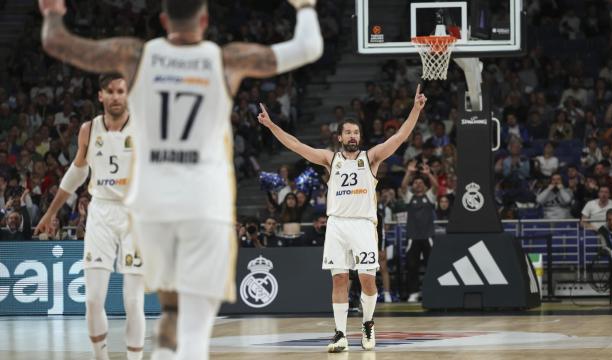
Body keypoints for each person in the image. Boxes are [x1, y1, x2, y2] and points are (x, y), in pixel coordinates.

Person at [39, 0, 323, 359]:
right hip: (204, 203)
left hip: (151, 206)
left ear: (162, 20)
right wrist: (306, 6)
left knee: (171, 311)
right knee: (194, 326)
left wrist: (51, 12)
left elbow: (56, 43)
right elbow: (309, 47)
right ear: (204, 20)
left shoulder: (135, 56)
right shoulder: (226, 60)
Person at [258, 85, 427, 352]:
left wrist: (415, 110)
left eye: (356, 132)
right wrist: (270, 126)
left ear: (360, 136)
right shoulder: (330, 159)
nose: (352, 136)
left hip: (363, 224)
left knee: (367, 280)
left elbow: (400, 137)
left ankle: (368, 323)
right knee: (339, 280)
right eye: (348, 132)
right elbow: (297, 145)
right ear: (340, 137)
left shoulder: (371, 158)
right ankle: (339, 333)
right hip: (336, 224)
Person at [34, 74, 145, 360]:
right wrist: (50, 211)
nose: (116, 96)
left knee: (133, 301)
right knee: (94, 300)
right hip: (101, 211)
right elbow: (78, 172)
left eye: (121, 91)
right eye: (111, 91)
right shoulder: (88, 129)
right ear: (101, 96)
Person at [398, 161, 439, 303]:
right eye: (415, 183)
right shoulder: (410, 197)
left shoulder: (429, 197)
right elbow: (403, 187)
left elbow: (436, 187)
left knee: (432, 265)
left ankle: (432, 290)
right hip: (413, 237)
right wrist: (409, 173)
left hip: (428, 236)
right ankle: (413, 292)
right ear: (413, 186)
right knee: (412, 267)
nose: (418, 184)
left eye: (421, 182)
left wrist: (429, 174)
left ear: (425, 185)